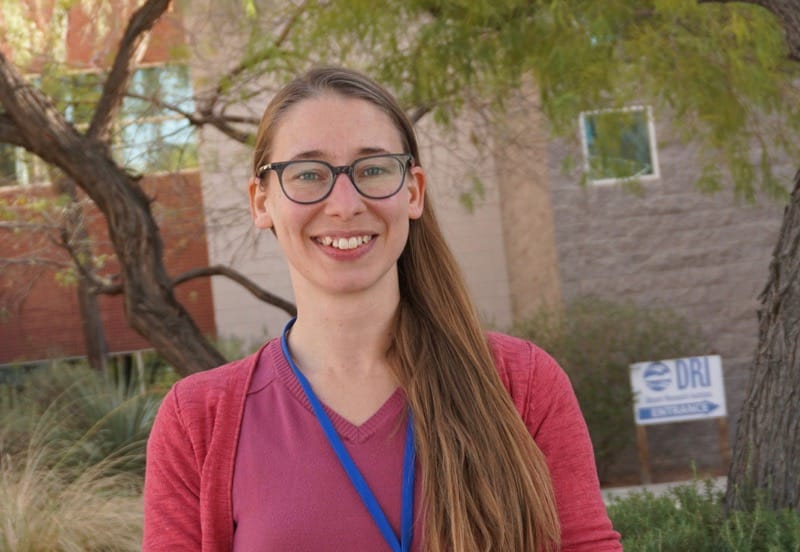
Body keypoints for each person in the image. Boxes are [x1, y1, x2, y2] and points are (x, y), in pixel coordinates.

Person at [143, 66, 622, 552]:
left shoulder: (523, 385)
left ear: (412, 191)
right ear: (261, 201)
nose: (345, 204)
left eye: (373, 170)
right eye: (308, 175)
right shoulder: (198, 420)